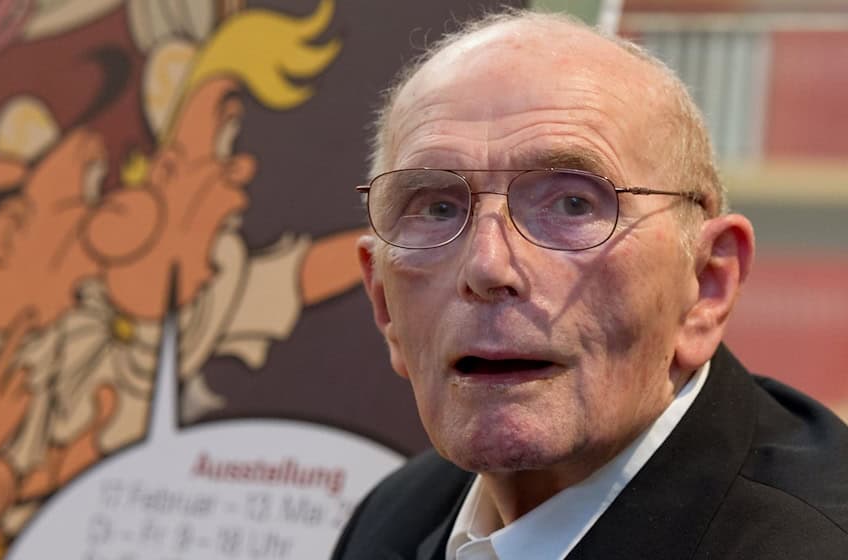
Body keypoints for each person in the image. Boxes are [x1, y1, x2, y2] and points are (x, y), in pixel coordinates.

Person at [333, 10, 848, 560]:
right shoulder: (394, 517)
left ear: (705, 285)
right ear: (383, 301)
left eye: (573, 204)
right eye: (438, 208)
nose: (487, 267)